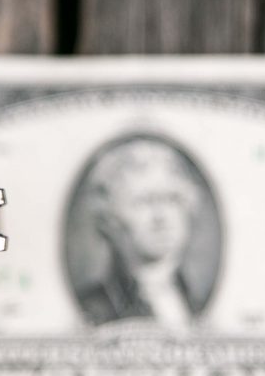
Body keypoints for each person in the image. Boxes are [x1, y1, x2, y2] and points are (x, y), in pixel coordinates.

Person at [77, 137, 207, 327]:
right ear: (110, 219)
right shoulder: (92, 310)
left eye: (172, 199)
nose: (161, 217)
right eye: (144, 202)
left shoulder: (195, 302)